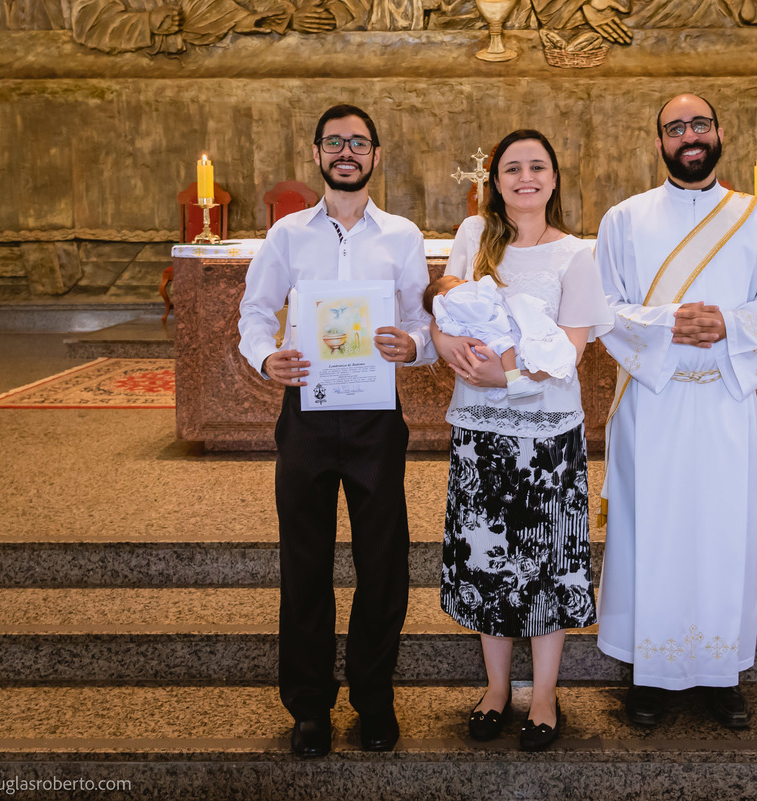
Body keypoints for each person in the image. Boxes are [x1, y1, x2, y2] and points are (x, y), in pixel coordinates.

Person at [593, 93, 757, 729]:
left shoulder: (756, 220)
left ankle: (722, 672)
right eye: (676, 127)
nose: (690, 135)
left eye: (700, 124)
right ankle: (648, 674)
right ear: (659, 141)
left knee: (722, 533)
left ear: (718, 133)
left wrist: (729, 325)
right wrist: (669, 324)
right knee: (649, 533)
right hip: (652, 404)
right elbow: (604, 306)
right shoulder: (623, 220)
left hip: (722, 403)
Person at [238, 103, 434, 757]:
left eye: (359, 142)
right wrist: (267, 356)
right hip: (308, 418)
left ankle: (374, 699)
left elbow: (423, 324)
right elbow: (255, 311)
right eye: (335, 141)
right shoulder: (288, 235)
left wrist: (412, 344)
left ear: (375, 154)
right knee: (305, 563)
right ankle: (310, 707)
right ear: (317, 152)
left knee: (383, 565)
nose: (346, 151)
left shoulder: (402, 236)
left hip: (377, 417)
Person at [431, 129, 612, 752]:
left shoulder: (575, 256)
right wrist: (449, 346)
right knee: (488, 565)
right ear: (497, 180)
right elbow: (445, 315)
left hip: (547, 440)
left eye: (537, 167)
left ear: (554, 180)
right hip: (482, 434)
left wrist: (503, 377)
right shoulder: (472, 237)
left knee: (547, 566)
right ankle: (496, 689)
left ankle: (543, 694)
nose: (524, 177)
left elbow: (571, 350)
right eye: (512, 168)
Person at [424, 273, 577, 400]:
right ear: (441, 295)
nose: (465, 280)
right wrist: (486, 285)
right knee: (506, 346)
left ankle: (505, 384)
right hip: (485, 336)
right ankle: (514, 380)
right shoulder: (453, 299)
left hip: (485, 336)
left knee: (512, 349)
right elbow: (481, 310)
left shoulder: (456, 301)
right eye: (457, 281)